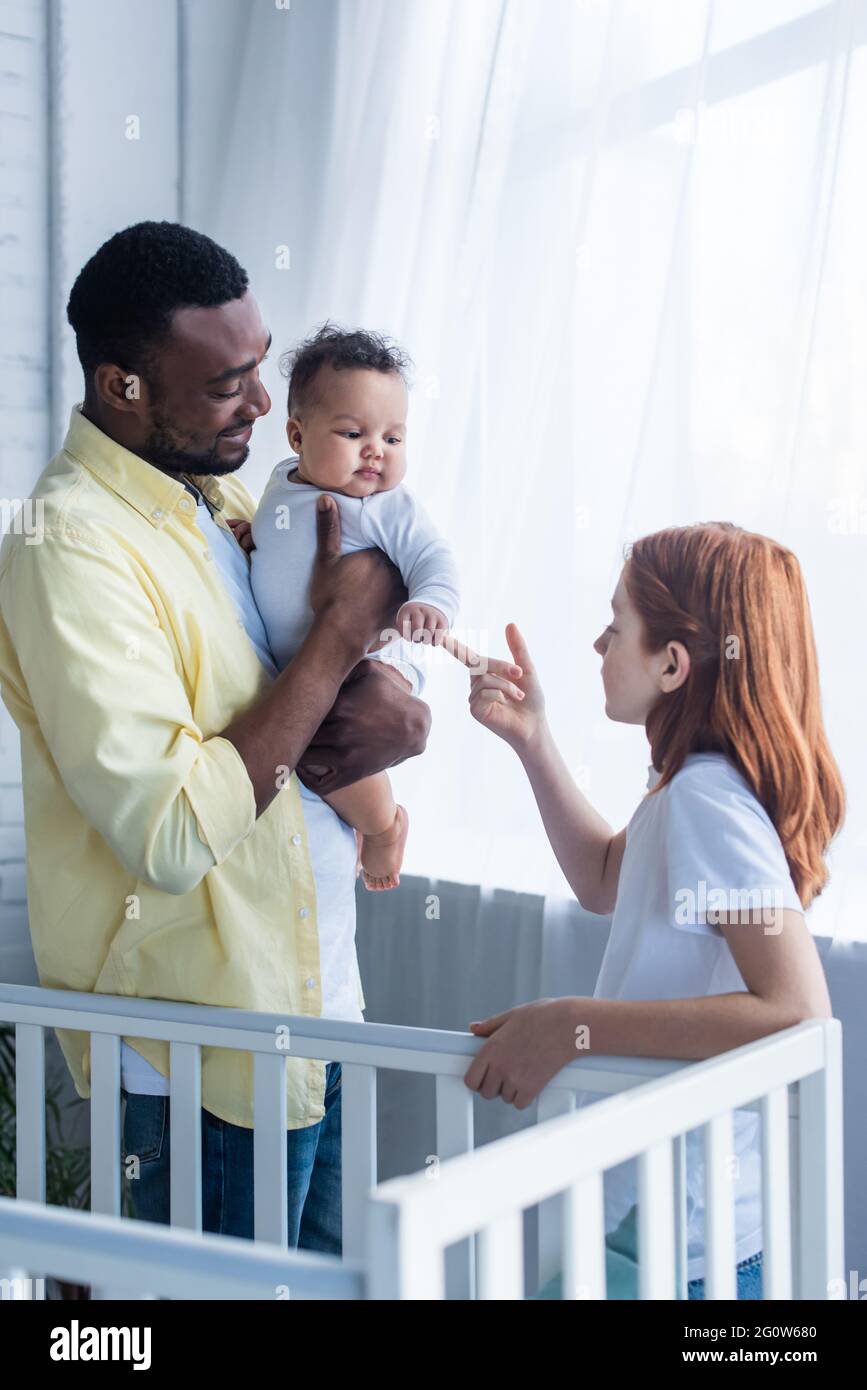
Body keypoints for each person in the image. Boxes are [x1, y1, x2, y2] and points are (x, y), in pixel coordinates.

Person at [0, 220, 431, 1253]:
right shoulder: (66, 545)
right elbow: (175, 828)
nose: (262, 403)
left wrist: (390, 701)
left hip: (316, 998)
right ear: (123, 387)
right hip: (201, 1050)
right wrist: (339, 641)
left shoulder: (230, 498)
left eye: (258, 363)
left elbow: (323, 705)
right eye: (225, 383)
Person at [452, 522, 843, 1298]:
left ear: (671, 663)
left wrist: (571, 1024)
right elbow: (602, 877)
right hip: (678, 1224)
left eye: (614, 626)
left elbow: (797, 1013)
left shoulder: (705, 795)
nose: (598, 645)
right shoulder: (689, 785)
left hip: (682, 1238)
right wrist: (533, 741)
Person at [236, 322, 460, 891]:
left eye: (393, 438)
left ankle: (383, 828)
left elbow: (433, 555)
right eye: (354, 432)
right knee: (309, 748)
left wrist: (432, 601)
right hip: (311, 665)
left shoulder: (385, 506)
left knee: (330, 744)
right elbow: (284, 543)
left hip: (370, 665)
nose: (375, 453)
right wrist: (252, 536)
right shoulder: (282, 485)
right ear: (296, 435)